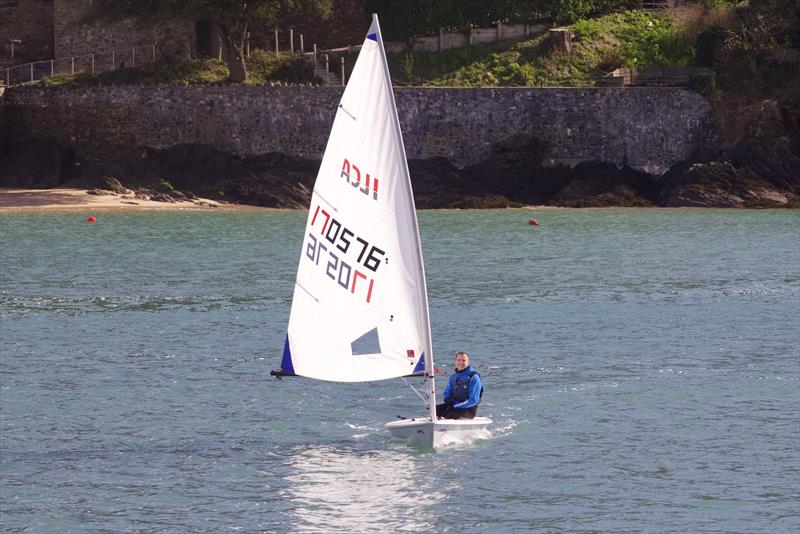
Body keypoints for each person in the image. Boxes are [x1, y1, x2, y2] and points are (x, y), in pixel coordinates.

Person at [436, 351, 483, 420]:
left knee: (450, 414)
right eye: (458, 360)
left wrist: (456, 406)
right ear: (455, 361)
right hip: (454, 405)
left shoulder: (474, 377)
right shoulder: (453, 377)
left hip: (469, 409)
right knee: (435, 410)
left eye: (463, 360)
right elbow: (447, 392)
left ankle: (444, 428)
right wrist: (447, 398)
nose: (461, 362)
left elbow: (473, 400)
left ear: (468, 362)